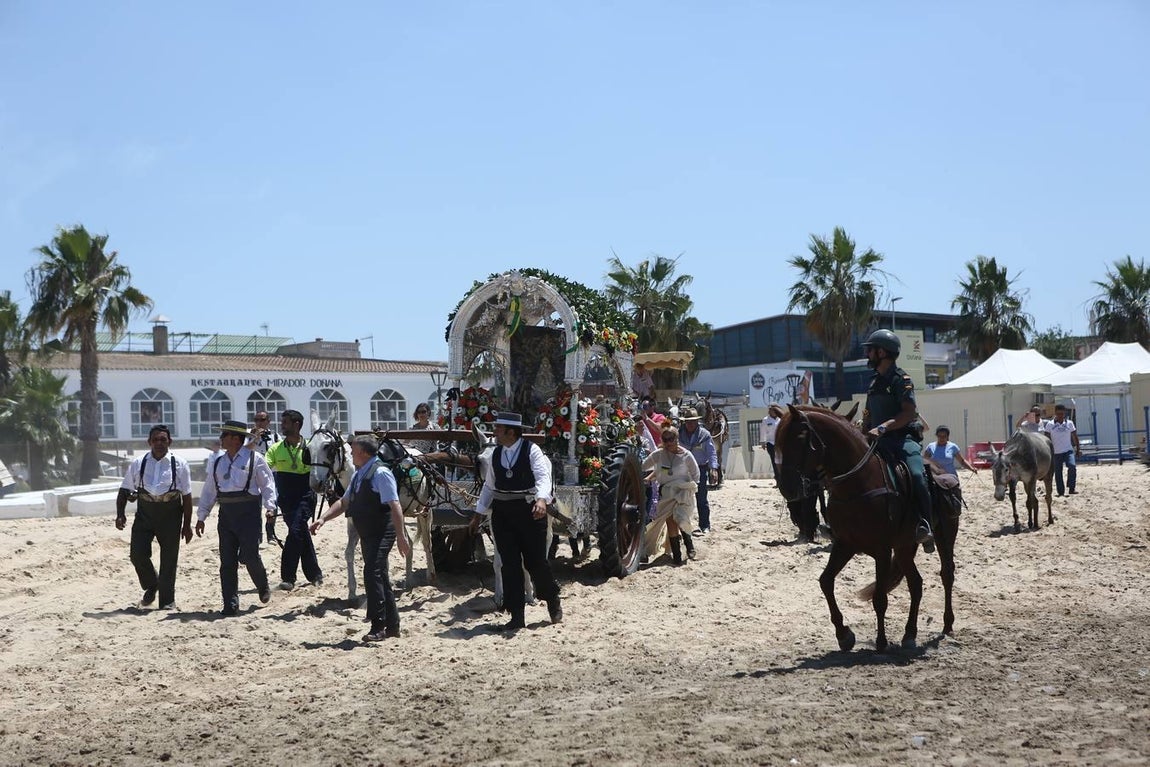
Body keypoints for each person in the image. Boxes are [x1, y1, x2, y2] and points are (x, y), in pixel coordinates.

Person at [310, 435, 412, 641]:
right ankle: (393, 626)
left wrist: (401, 536)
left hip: (382, 530)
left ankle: (378, 626)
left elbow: (395, 506)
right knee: (381, 575)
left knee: (372, 572)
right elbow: (344, 502)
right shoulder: (359, 474)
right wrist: (322, 519)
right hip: (367, 532)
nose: (350, 453)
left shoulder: (381, 473)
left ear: (363, 453)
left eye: (353, 450)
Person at [473, 412, 562, 632]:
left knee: (536, 563)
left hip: (530, 512)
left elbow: (543, 478)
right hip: (503, 513)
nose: (495, 432)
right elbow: (489, 486)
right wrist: (478, 513)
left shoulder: (532, 450)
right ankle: (517, 616)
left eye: (498, 428)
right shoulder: (496, 454)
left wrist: (541, 499)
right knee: (509, 565)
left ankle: (552, 598)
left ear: (510, 432)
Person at [861, 328, 935, 552]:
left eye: (871, 350)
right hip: (877, 441)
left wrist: (883, 426)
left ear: (882, 352)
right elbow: (868, 413)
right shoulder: (874, 382)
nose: (867, 354)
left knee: (917, 476)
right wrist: (863, 428)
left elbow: (908, 413)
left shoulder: (901, 380)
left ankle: (926, 525)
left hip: (902, 439)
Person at [195, 420, 277, 616]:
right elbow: (209, 490)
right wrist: (202, 516)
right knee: (227, 560)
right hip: (226, 513)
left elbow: (267, 485)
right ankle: (230, 603)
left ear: (235, 439)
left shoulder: (255, 459)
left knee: (249, 555)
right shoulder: (218, 462)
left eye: (224, 435)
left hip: (248, 513)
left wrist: (270, 507)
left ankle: (262, 584)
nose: (220, 439)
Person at [114, 425, 193, 609]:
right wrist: (120, 514)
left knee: (169, 559)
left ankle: (167, 601)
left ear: (169, 441)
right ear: (149, 442)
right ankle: (152, 583)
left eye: (163, 439)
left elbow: (187, 496)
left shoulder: (180, 464)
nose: (159, 443)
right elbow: (124, 490)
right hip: (145, 513)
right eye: (155, 440)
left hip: (171, 513)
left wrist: (187, 524)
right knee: (137, 554)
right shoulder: (138, 463)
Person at [265, 409, 323, 591]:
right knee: (301, 533)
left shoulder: (310, 447)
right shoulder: (275, 449)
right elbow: (263, 469)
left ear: (296, 424)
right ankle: (315, 574)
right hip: (286, 499)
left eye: (285, 422)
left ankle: (288, 577)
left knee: (296, 531)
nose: (282, 426)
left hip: (305, 495)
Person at [641, 427, 700, 565]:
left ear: (677, 438)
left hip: (682, 492)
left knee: (681, 518)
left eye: (671, 439)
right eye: (665, 439)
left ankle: (689, 546)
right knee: (671, 521)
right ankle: (677, 555)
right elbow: (643, 466)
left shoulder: (687, 455)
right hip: (667, 493)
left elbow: (696, 475)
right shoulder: (658, 455)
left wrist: (688, 488)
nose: (668, 442)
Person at [679, 406, 718, 534]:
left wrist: (713, 468)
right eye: (687, 421)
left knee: (701, 498)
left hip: (700, 469)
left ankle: (705, 525)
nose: (690, 424)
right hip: (683, 470)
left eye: (692, 421)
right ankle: (683, 527)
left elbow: (711, 453)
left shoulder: (704, 435)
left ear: (697, 421)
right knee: (681, 499)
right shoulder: (678, 434)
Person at [1046, 404, 1081, 496]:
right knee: (1058, 472)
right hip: (1056, 452)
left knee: (1072, 466)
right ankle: (1060, 491)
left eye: (1062, 414)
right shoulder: (1050, 425)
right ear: (1055, 413)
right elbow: (1047, 439)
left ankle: (1071, 488)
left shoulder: (1069, 423)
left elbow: (1074, 436)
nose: (1060, 416)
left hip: (1068, 450)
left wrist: (1078, 449)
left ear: (1064, 413)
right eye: (1058, 414)